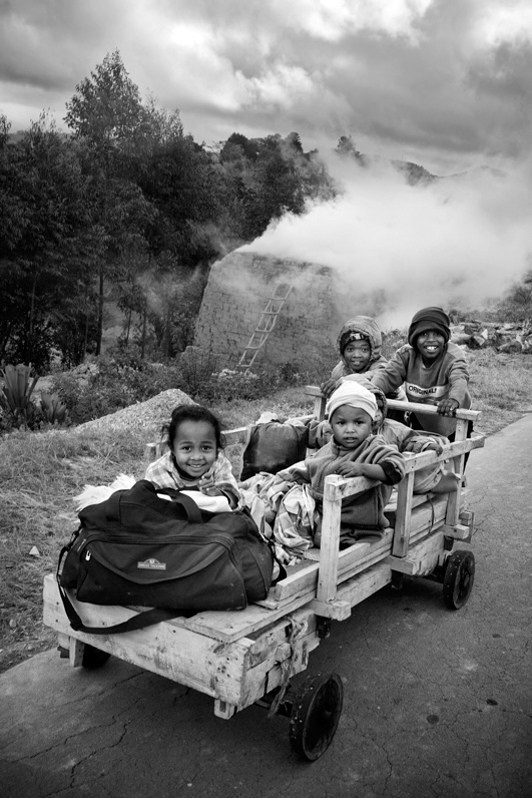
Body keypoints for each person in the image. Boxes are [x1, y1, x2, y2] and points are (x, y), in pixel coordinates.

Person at [272, 381, 406, 550]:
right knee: (282, 500)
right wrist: (288, 480)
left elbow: (396, 467)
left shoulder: (374, 447)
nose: (350, 430)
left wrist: (363, 469)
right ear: (331, 426)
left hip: (354, 525)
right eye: (341, 423)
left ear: (371, 424)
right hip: (322, 514)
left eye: (358, 423)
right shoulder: (329, 449)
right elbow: (310, 468)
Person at [369, 306, 472, 438]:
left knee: (455, 456)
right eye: (424, 334)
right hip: (421, 416)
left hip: (454, 419)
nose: (431, 339)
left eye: (437, 334)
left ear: (445, 337)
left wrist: (453, 400)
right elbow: (388, 376)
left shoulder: (453, 355)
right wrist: (371, 393)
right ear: (415, 338)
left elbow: (459, 378)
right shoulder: (406, 354)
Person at [145, 404, 241, 512]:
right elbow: (149, 510)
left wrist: (217, 493)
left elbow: (234, 498)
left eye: (205, 448)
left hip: (216, 525)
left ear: (216, 448)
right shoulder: (157, 472)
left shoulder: (219, 464)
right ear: (172, 448)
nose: (197, 457)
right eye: (187, 448)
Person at [369, 385, 460, 494]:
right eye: (370, 407)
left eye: (379, 407)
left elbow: (410, 438)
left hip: (390, 483)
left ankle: (436, 481)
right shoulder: (347, 436)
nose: (376, 414)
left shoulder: (392, 429)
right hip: (362, 487)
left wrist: (425, 445)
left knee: (407, 463)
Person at [320, 316, 389, 398]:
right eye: (350, 349)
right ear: (342, 351)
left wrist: (343, 382)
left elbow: (372, 378)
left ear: (373, 351)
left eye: (364, 350)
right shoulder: (339, 370)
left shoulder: (383, 368)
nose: (356, 355)